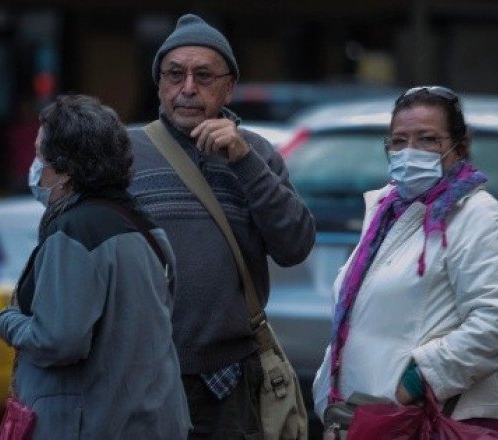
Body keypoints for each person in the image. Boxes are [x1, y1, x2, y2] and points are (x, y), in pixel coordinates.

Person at [127, 14, 316, 438]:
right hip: (141, 376)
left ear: (229, 86)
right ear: (159, 83)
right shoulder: (126, 152)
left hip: (230, 381)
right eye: (175, 75)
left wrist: (244, 161)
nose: (188, 88)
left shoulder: (257, 154)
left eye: (204, 76)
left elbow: (295, 245)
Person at [312, 86, 498, 435]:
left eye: (427, 139)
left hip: (425, 420)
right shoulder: (388, 210)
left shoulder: (480, 217)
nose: (409, 152)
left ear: (459, 147)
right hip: (366, 417)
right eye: (398, 141)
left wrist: (417, 381)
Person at [0, 94, 191, 439]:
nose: (35, 165)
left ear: (66, 168)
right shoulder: (145, 227)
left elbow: (59, 340)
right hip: (150, 422)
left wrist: (7, 321)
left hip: (92, 424)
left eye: (41, 155)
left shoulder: (73, 232)